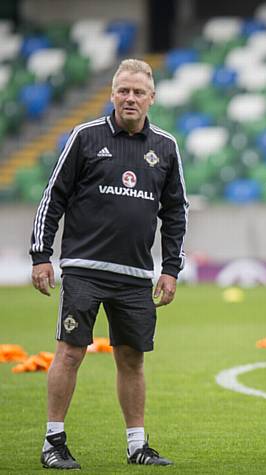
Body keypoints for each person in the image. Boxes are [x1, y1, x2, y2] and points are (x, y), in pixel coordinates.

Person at [30, 58, 188, 469]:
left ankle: (137, 445)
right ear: (112, 93)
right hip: (84, 269)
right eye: (123, 90)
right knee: (70, 353)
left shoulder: (166, 147)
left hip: (136, 276)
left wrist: (171, 268)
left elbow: (175, 214)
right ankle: (54, 442)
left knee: (132, 359)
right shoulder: (85, 137)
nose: (130, 98)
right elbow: (53, 198)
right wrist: (41, 255)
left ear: (152, 98)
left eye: (138, 92)